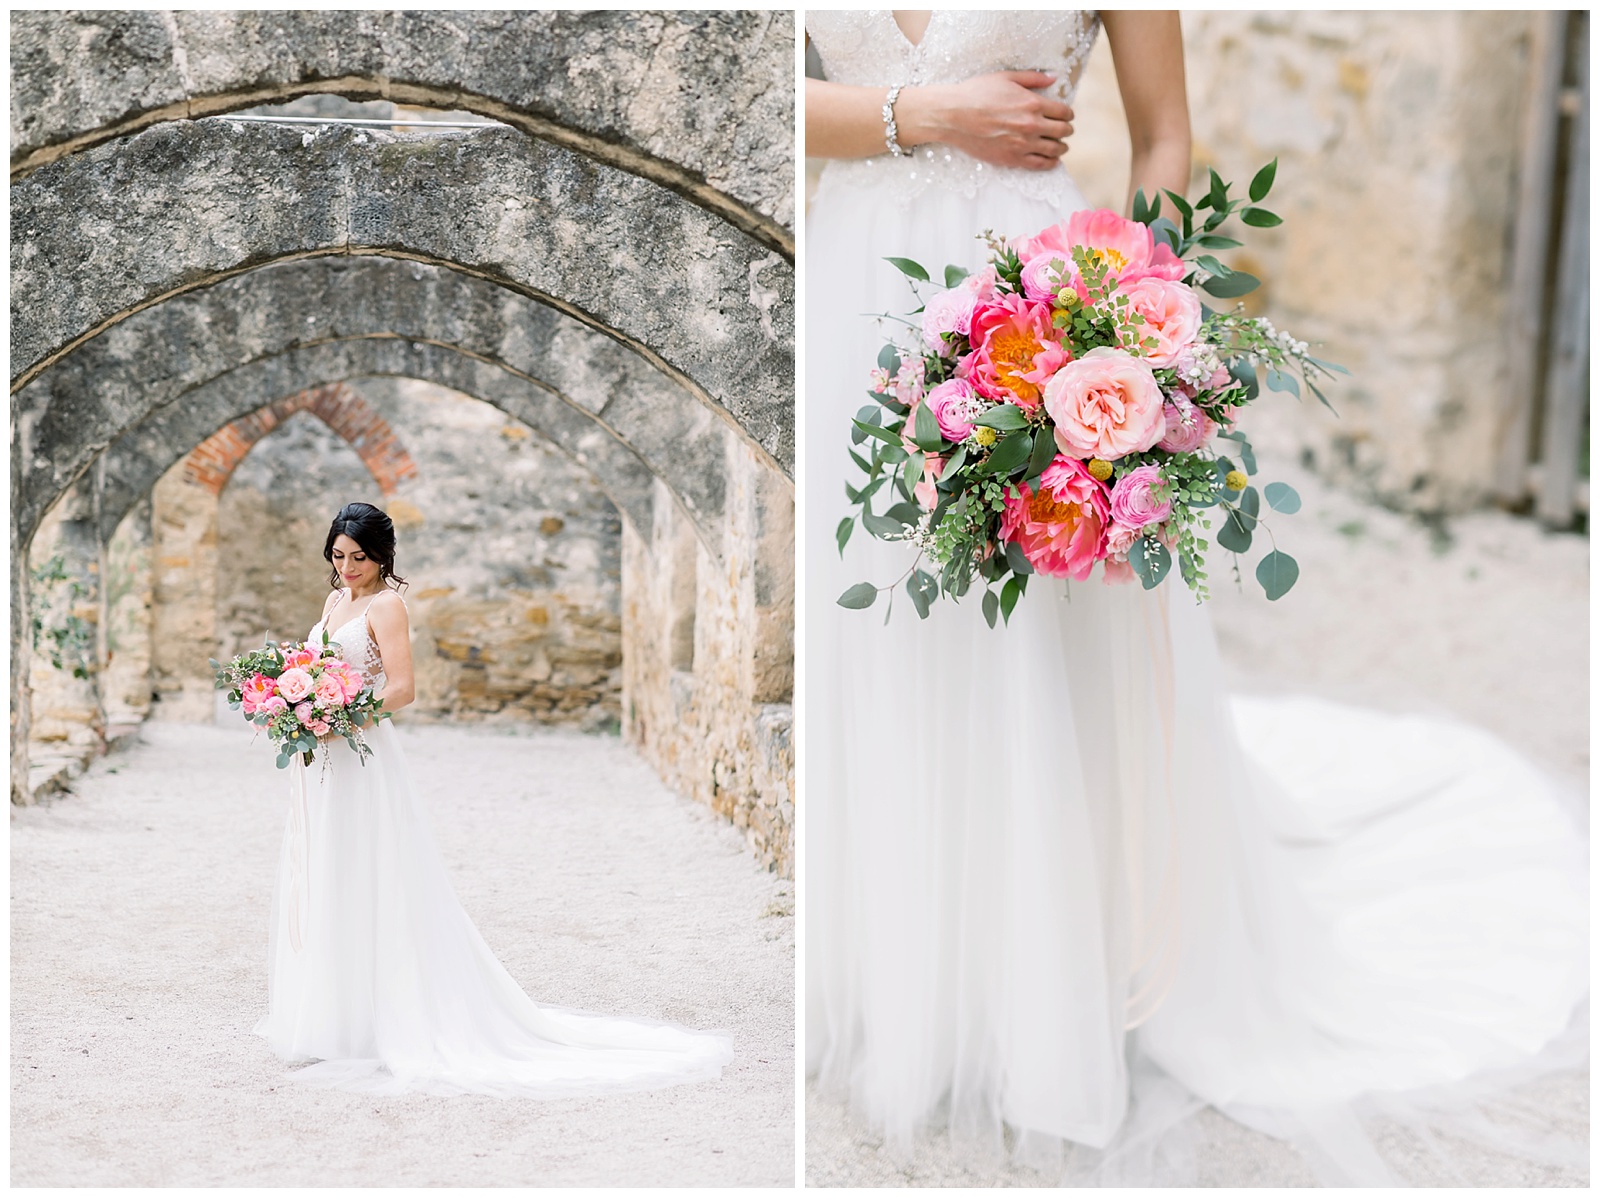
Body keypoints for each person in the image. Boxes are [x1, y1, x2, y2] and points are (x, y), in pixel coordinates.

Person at [804, 11, 1587, 1184]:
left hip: (1032, 291)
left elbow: (1166, 136)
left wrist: (1123, 326)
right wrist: (917, 117)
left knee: (1051, 632)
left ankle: (1064, 979)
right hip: (852, 290)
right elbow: (760, 100)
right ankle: (912, 968)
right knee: (888, 624)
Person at [254, 502, 733, 1096]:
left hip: (361, 751)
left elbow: (401, 689)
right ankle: (337, 1016)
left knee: (372, 871)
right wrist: (292, 698)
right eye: (338, 557)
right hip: (324, 761)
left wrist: (338, 714)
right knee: (329, 869)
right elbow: (318, 663)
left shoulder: (388, 606)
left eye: (359, 558)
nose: (347, 568)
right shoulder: (334, 602)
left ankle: (388, 1017)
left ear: (383, 556)